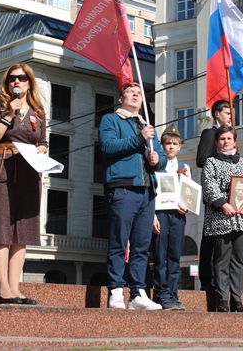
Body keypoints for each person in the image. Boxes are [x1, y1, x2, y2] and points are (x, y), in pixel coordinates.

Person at [99, 82, 167, 310]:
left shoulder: (147, 126)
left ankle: (138, 292)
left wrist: (157, 160)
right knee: (119, 241)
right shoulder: (111, 120)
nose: (136, 95)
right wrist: (139, 138)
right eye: (131, 92)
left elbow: (161, 157)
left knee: (141, 245)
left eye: (139, 93)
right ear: (121, 98)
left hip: (147, 190)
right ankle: (116, 290)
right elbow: (108, 147)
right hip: (123, 187)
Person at [0, 63, 48, 305]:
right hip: (3, 171)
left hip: (29, 173)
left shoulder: (38, 110)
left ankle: (15, 288)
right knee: (2, 231)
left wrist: (42, 149)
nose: (17, 82)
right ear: (7, 83)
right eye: (12, 78)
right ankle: (3, 288)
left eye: (22, 78)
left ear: (29, 82)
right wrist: (9, 115)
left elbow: (42, 141)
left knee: (22, 234)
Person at [202, 125, 243, 313]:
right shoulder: (211, 163)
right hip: (221, 219)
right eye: (222, 139)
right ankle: (222, 299)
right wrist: (222, 204)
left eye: (229, 138)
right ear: (217, 142)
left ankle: (237, 299)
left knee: (238, 260)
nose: (226, 142)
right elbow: (209, 186)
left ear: (235, 142)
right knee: (221, 259)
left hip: (242, 220)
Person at [151, 126, 190, 310]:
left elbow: (188, 192)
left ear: (180, 147)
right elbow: (151, 192)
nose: (171, 147)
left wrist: (186, 205)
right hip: (161, 213)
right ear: (162, 145)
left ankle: (173, 294)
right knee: (160, 256)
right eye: (168, 143)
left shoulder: (184, 167)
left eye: (175, 144)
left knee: (174, 255)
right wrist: (152, 216)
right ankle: (162, 294)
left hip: (177, 215)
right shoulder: (156, 166)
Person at [196, 100, 231, 295]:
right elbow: (201, 159)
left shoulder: (230, 136)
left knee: (225, 240)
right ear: (217, 114)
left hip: (229, 195)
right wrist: (221, 157)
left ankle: (223, 280)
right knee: (210, 238)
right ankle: (206, 279)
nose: (230, 116)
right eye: (227, 113)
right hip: (214, 194)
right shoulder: (210, 134)